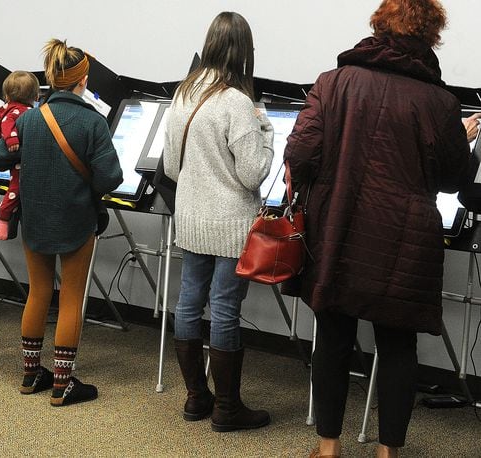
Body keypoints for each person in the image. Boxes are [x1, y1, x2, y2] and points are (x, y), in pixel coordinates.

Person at [283, 1, 477, 457]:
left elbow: (300, 154)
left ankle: (328, 447)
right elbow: (452, 179)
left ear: (378, 26)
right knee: (397, 345)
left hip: (337, 229)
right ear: (432, 36)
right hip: (405, 241)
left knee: (332, 338)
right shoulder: (441, 102)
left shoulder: (332, 83)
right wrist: (463, 141)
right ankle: (388, 452)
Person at [0, 39, 123, 406]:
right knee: (71, 298)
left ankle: (32, 374)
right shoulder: (92, 121)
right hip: (77, 220)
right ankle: (63, 384)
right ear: (83, 80)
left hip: (34, 219)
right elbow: (110, 176)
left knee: (38, 292)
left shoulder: (30, 119)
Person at [162, 12, 274, 431]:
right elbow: (253, 173)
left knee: (189, 301)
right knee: (225, 308)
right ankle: (228, 408)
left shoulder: (183, 94)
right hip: (230, 224)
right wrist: (266, 131)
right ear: (244, 52)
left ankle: (196, 399)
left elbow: (172, 167)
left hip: (191, 219)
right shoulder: (238, 103)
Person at [0, 70, 39, 241]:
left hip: (21, 161)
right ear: (36, 95)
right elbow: (7, 124)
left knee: (16, 188)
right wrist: (12, 140)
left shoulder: (12, 108)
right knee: (15, 189)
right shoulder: (20, 112)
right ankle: (3, 220)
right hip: (19, 161)